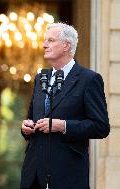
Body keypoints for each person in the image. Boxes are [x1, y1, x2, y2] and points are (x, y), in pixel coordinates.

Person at [20, 23, 110, 189]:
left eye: (51, 40)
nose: (44, 45)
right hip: (33, 174)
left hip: (67, 174)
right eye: (44, 40)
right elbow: (31, 117)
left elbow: (101, 126)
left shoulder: (89, 79)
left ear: (66, 45)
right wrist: (27, 127)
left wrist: (63, 126)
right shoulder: (41, 78)